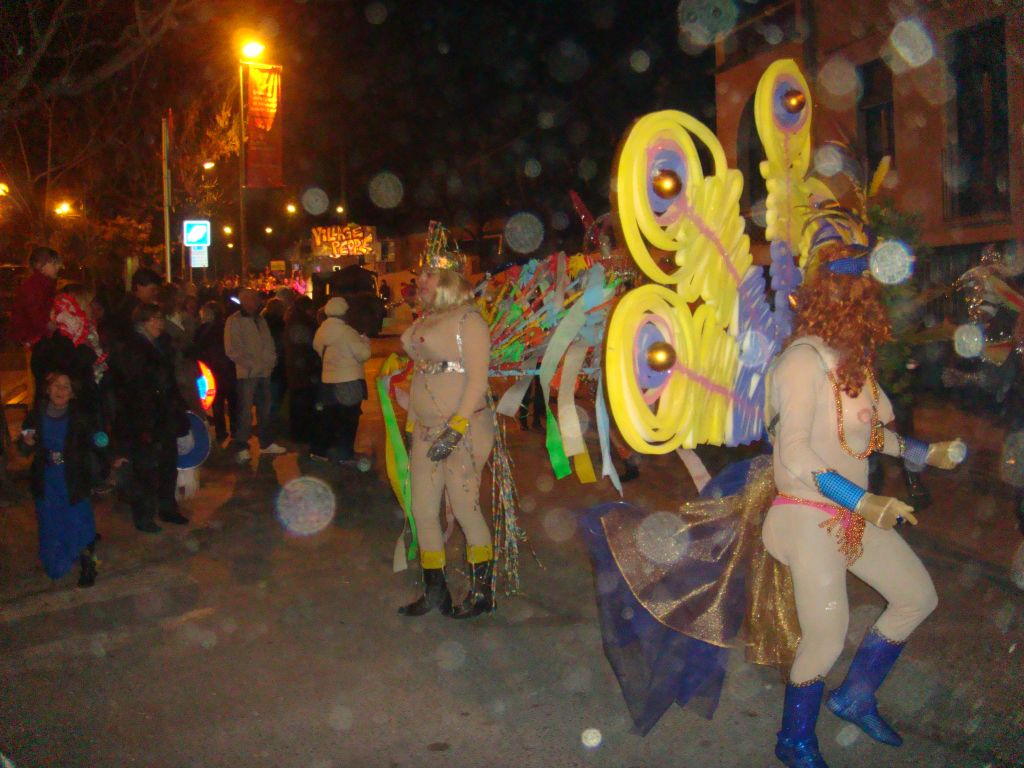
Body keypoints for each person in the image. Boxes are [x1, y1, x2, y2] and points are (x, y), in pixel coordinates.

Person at [763, 238, 965, 767]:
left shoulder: (855, 362)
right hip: (805, 513)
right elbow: (795, 453)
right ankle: (794, 740)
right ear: (836, 299)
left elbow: (870, 436)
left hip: (853, 511)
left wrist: (927, 453)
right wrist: (862, 499)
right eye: (860, 293)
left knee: (917, 596)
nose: (869, 304)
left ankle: (854, 698)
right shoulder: (801, 362)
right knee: (826, 635)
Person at [398, 250, 495, 619]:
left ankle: (482, 592)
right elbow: (418, 360)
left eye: (428, 276)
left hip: (464, 430)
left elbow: (477, 381)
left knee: (466, 509)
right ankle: (434, 590)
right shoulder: (427, 320)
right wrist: (412, 405)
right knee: (422, 509)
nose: (420, 282)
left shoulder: (469, 320)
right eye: (420, 275)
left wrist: (455, 428)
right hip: (425, 430)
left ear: (450, 281)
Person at [18, 371, 103, 586]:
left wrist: (110, 452)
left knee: (79, 521)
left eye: (66, 387)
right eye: (56, 385)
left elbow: (96, 439)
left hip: (73, 477)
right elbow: (23, 446)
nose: (60, 390)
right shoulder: (37, 413)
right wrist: (26, 444)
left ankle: (88, 565)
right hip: (47, 478)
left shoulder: (80, 416)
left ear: (72, 393)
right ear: (48, 389)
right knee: (51, 521)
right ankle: (58, 559)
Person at [112, 303, 190, 533]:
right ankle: (144, 515)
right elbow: (133, 387)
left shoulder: (163, 345)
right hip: (143, 418)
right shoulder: (132, 348)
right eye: (153, 319)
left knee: (168, 465)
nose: (158, 323)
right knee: (145, 470)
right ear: (141, 323)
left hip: (165, 414)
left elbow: (170, 380)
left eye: (160, 318)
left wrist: (178, 407)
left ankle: (168, 508)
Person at [224, 289, 287, 463]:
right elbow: (232, 349)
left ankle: (265, 443)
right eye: (251, 299)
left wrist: (270, 361)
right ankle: (242, 445)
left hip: (263, 372)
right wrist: (251, 365)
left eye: (255, 300)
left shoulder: (260, 320)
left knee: (265, 409)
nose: (255, 303)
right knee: (244, 411)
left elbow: (268, 343)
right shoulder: (234, 321)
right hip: (247, 373)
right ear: (243, 301)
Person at [311, 297, 370, 462]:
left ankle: (321, 451)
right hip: (349, 381)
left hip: (328, 380)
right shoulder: (348, 332)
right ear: (344, 313)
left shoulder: (321, 331)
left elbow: (317, 350)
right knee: (348, 419)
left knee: (329, 418)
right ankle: (344, 454)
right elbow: (363, 354)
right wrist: (365, 341)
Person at [9, 246, 61, 400]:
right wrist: (49, 326)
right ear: (41, 265)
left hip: (36, 340)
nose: (58, 267)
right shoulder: (38, 285)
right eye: (54, 263)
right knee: (45, 387)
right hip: (39, 341)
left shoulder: (40, 284)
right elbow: (36, 314)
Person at [194, 301, 236, 444]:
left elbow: (197, 350)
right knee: (233, 401)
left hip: (211, 370)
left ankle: (220, 431)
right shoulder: (227, 327)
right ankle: (235, 431)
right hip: (228, 369)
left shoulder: (203, 330)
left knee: (217, 403)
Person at [283, 296, 321, 444]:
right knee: (303, 402)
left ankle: (298, 433)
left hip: (298, 368)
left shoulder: (293, 321)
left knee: (298, 402)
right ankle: (302, 434)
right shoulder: (302, 323)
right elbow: (307, 345)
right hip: (303, 369)